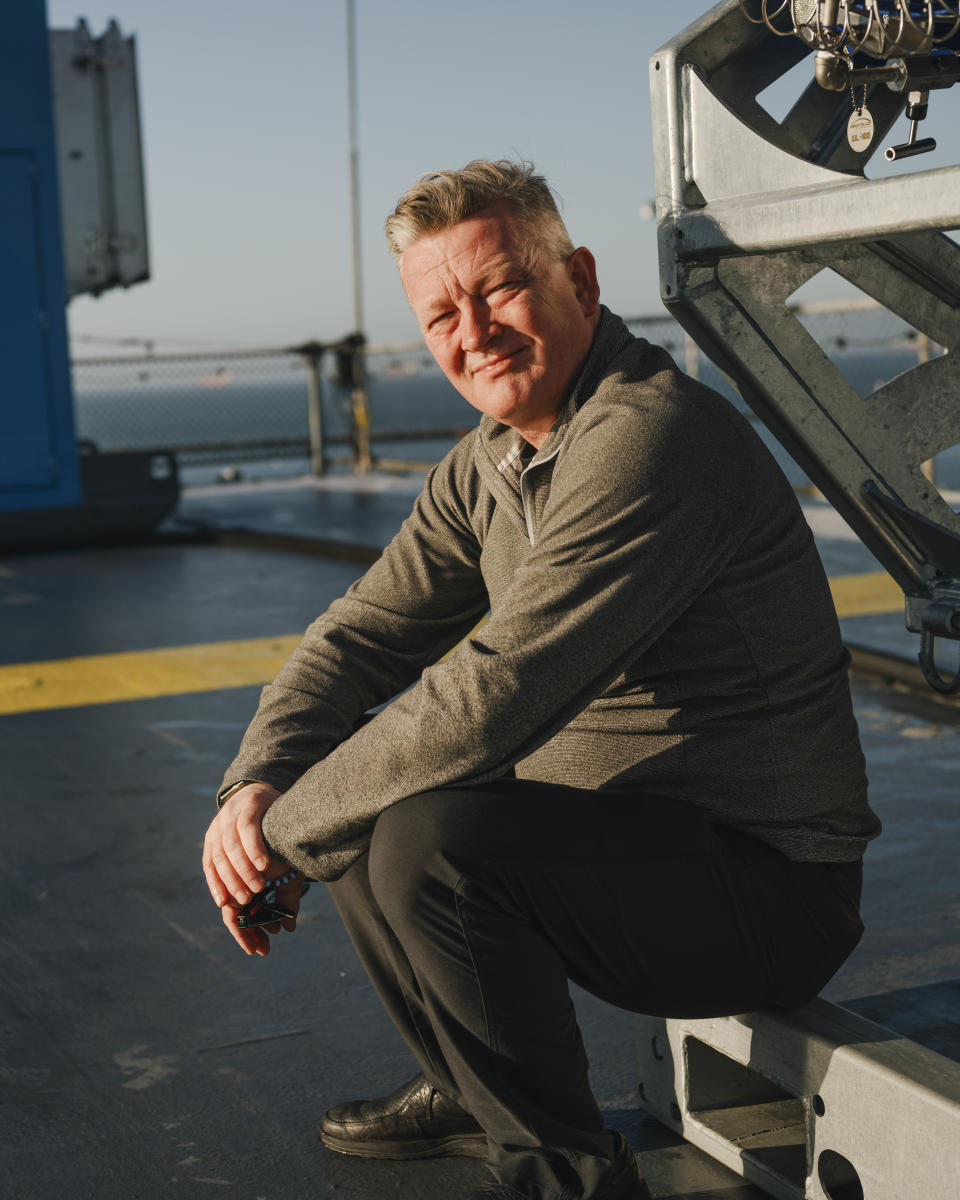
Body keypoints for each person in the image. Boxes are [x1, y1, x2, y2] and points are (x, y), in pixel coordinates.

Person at [202, 159, 880, 1200]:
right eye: (441, 315)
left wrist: (286, 840)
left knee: (423, 832)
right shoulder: (487, 465)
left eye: (501, 288)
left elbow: (497, 693)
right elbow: (360, 633)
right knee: (364, 800)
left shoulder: (650, 438)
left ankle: (566, 1176)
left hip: (770, 888)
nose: (473, 332)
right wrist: (257, 784)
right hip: (630, 853)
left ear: (584, 280)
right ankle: (468, 1090)